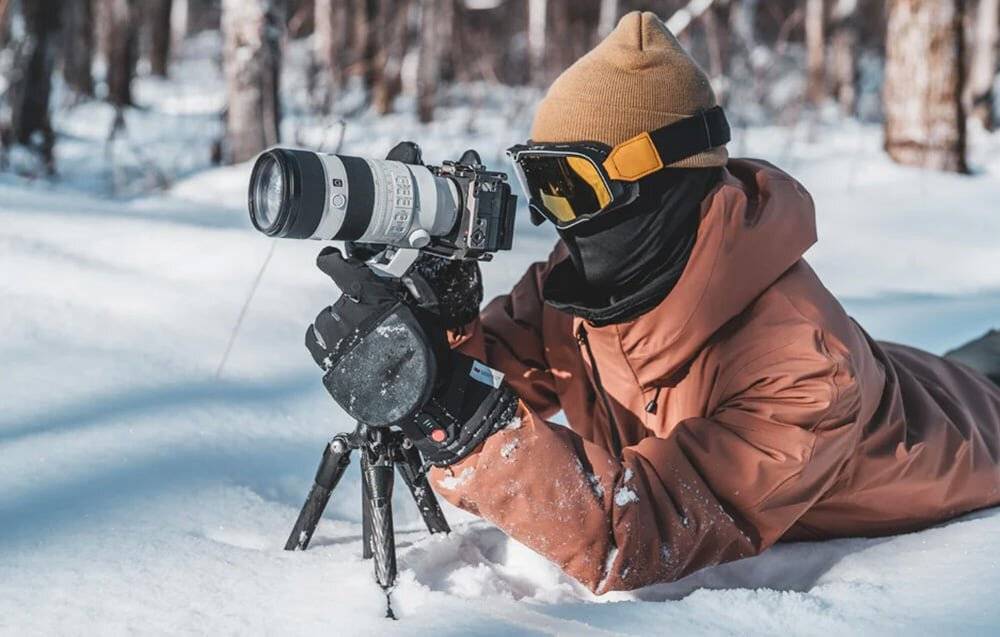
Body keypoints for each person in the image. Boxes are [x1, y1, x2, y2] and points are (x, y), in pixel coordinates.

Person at [305, 12, 1000, 593]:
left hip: (969, 426)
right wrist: (438, 331)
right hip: (903, 374)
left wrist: (458, 421)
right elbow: (495, 381)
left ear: (660, 178)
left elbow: (642, 533)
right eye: (542, 185)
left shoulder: (808, 372)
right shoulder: (582, 286)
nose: (556, 220)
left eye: (571, 186)